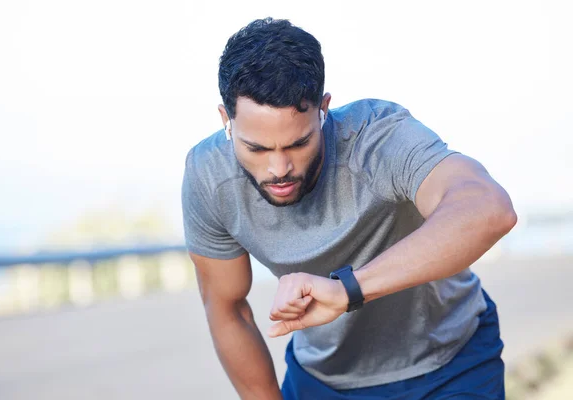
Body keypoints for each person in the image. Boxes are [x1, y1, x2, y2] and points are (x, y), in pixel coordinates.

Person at [182, 17, 517, 400]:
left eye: (298, 143)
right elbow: (228, 310)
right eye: (256, 148)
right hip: (323, 381)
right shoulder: (208, 176)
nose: (279, 169)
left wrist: (348, 290)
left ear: (324, 109)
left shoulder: (378, 138)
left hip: (451, 364)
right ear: (226, 120)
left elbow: (488, 208)